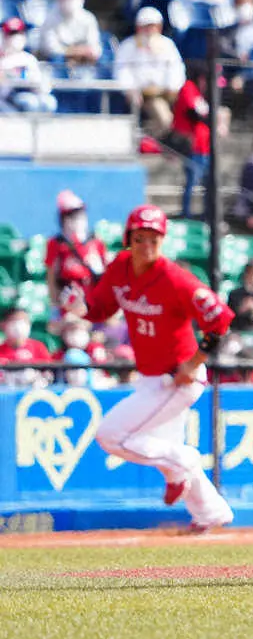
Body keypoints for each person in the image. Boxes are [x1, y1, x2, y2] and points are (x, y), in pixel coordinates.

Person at [61, 204, 235, 531]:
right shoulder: (121, 267)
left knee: (111, 436)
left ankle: (183, 463)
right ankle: (211, 513)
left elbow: (221, 320)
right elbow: (100, 309)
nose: (147, 245)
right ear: (129, 239)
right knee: (164, 449)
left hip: (177, 378)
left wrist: (193, 363)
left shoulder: (175, 279)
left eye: (154, 238)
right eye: (140, 238)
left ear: (162, 241)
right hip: (150, 376)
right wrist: (80, 308)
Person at [171, 60, 231, 219]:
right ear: (202, 78)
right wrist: (216, 120)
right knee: (191, 182)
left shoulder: (202, 94)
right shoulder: (189, 87)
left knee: (208, 183)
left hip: (205, 147)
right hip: (192, 147)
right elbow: (194, 114)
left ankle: (207, 215)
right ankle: (186, 215)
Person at [114, 7, 185, 139]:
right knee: (164, 119)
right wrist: (130, 89)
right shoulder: (128, 46)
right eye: (146, 26)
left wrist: (173, 87)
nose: (149, 30)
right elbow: (121, 71)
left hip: (168, 93)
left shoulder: (167, 45)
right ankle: (146, 142)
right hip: (144, 96)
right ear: (138, 27)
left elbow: (177, 69)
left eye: (153, 26)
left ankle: (150, 141)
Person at [45, 190, 110, 319]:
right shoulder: (56, 244)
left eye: (79, 214)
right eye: (70, 215)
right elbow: (51, 277)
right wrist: (55, 305)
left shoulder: (96, 242)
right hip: (69, 306)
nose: (76, 219)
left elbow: (107, 276)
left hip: (93, 303)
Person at [38, 0, 102, 74]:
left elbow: (94, 47)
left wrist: (82, 53)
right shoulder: (51, 18)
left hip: (83, 61)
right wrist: (76, 52)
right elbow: (51, 49)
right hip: (55, 63)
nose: (71, 0)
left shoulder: (88, 18)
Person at [0, 18, 58, 114]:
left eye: (19, 34)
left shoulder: (28, 59)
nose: (15, 38)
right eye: (11, 34)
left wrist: (34, 82)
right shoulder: (2, 59)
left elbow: (42, 87)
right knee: (29, 102)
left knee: (49, 102)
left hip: (29, 92)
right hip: (8, 97)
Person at [0, 307, 52, 388]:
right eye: (14, 321)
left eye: (24, 321)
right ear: (3, 325)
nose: (19, 326)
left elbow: (49, 373)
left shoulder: (38, 347)